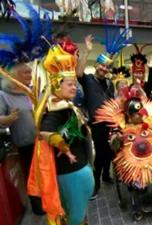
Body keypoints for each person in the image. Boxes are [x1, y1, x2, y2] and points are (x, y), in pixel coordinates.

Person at [28, 45, 94, 225]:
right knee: (74, 215)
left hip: (76, 169)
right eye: (70, 84)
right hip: (71, 171)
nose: (74, 88)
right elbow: (45, 131)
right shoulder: (58, 107)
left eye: (75, 84)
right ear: (57, 84)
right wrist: (63, 146)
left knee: (74, 211)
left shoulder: (66, 104)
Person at [0, 63, 45, 215]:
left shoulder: (33, 90)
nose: (30, 75)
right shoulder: (4, 95)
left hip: (44, 141)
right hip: (26, 144)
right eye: (26, 72)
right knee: (32, 176)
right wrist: (9, 118)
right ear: (14, 76)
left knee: (45, 173)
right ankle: (37, 206)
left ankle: (49, 200)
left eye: (30, 72)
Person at [76, 35, 115, 198]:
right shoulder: (88, 79)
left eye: (106, 67)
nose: (103, 69)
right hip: (97, 124)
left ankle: (106, 175)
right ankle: (96, 182)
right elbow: (78, 72)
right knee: (100, 153)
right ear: (96, 65)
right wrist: (86, 51)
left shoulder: (109, 83)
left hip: (111, 123)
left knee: (111, 151)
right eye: (101, 65)